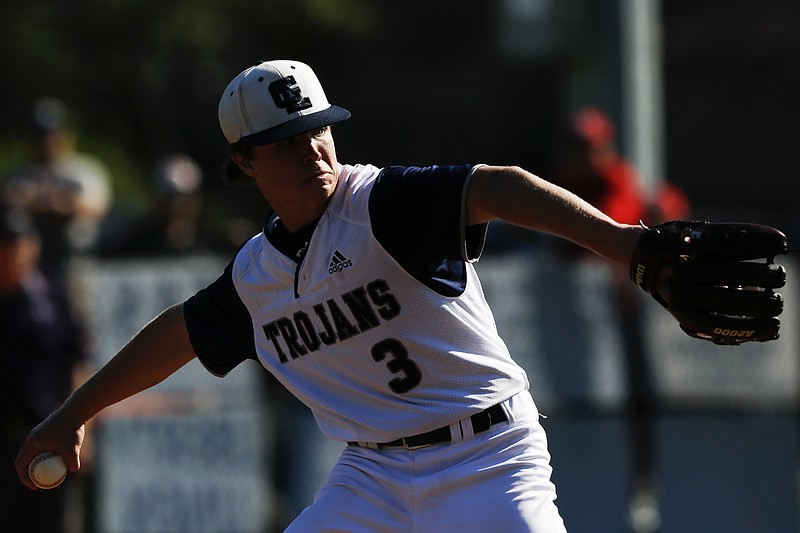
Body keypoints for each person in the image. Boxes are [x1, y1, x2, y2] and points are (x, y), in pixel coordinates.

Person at [15, 59, 649, 532]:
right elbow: (176, 335)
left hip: (488, 457)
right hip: (371, 476)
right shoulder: (256, 274)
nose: (312, 149)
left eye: (317, 129)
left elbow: (498, 186)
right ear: (243, 162)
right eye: (285, 142)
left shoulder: (379, 203)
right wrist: (71, 415)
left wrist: (620, 242)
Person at [0, 205, 90, 532]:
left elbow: (77, 360)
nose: (13, 254)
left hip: (48, 437)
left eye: (19, 244)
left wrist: (83, 427)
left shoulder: (51, 296)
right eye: (5, 246)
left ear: (33, 247)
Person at [2, 98, 113, 279]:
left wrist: (35, 201)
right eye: (39, 135)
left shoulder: (85, 170)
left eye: (52, 134)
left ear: (67, 134)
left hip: (77, 262)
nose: (46, 141)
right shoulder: (18, 174)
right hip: (30, 268)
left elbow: (91, 207)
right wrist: (58, 202)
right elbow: (9, 200)